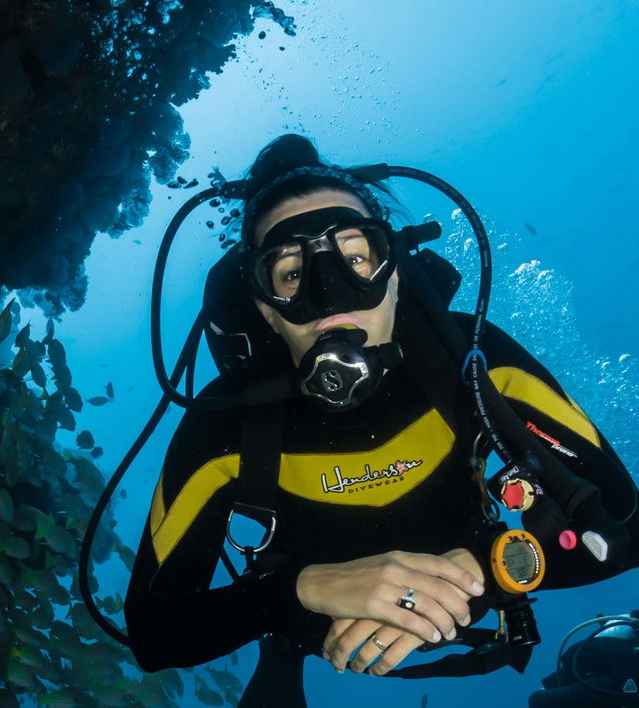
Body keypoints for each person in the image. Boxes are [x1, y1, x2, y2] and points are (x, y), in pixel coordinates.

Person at [123, 134, 639, 706]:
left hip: (476, 570)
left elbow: (628, 522)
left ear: (394, 276)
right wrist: (297, 592)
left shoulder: (472, 361)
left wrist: (486, 571)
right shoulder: (227, 425)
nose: (330, 294)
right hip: (313, 619)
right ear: (266, 309)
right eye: (291, 274)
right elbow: (154, 633)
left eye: (355, 258)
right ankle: (284, 645)